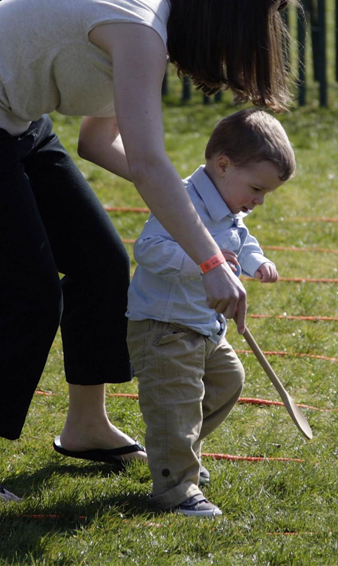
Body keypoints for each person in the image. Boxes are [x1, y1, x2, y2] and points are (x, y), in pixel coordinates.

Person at [0, 0, 294, 503]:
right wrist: (209, 258)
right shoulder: (140, 32)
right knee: (28, 296)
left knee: (102, 266)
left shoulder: (144, 5)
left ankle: (85, 427)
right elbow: (146, 160)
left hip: (16, 124)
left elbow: (96, 140)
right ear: (220, 15)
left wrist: (182, 200)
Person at [126, 109, 295, 517]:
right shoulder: (180, 200)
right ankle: (175, 488)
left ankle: (177, 450)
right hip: (164, 328)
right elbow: (148, 250)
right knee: (177, 404)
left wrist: (255, 262)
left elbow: (241, 237)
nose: (258, 201)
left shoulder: (226, 204)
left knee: (228, 380)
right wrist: (206, 263)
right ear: (222, 165)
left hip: (203, 326)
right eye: (256, 188)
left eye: (265, 194)